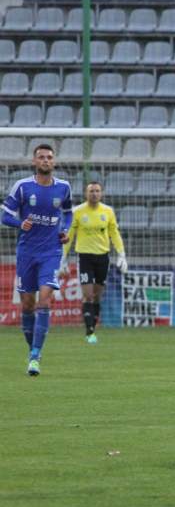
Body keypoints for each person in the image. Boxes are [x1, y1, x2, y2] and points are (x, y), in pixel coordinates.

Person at [2, 143, 73, 375]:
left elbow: (69, 212)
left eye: (49, 157)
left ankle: (35, 356)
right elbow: (5, 216)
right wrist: (20, 223)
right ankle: (33, 349)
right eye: (41, 157)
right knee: (27, 305)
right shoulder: (22, 187)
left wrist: (66, 230)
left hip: (51, 253)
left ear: (54, 161)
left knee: (45, 301)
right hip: (26, 253)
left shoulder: (64, 187)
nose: (45, 160)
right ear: (34, 161)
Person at [60, 181, 127, 343]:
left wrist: (122, 254)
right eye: (91, 191)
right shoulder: (77, 212)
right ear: (86, 193)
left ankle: (93, 326)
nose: (94, 194)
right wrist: (63, 258)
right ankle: (89, 332)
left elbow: (114, 234)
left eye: (97, 191)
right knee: (88, 295)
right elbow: (69, 236)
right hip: (85, 257)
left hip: (103, 257)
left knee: (97, 296)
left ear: (101, 193)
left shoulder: (108, 211)